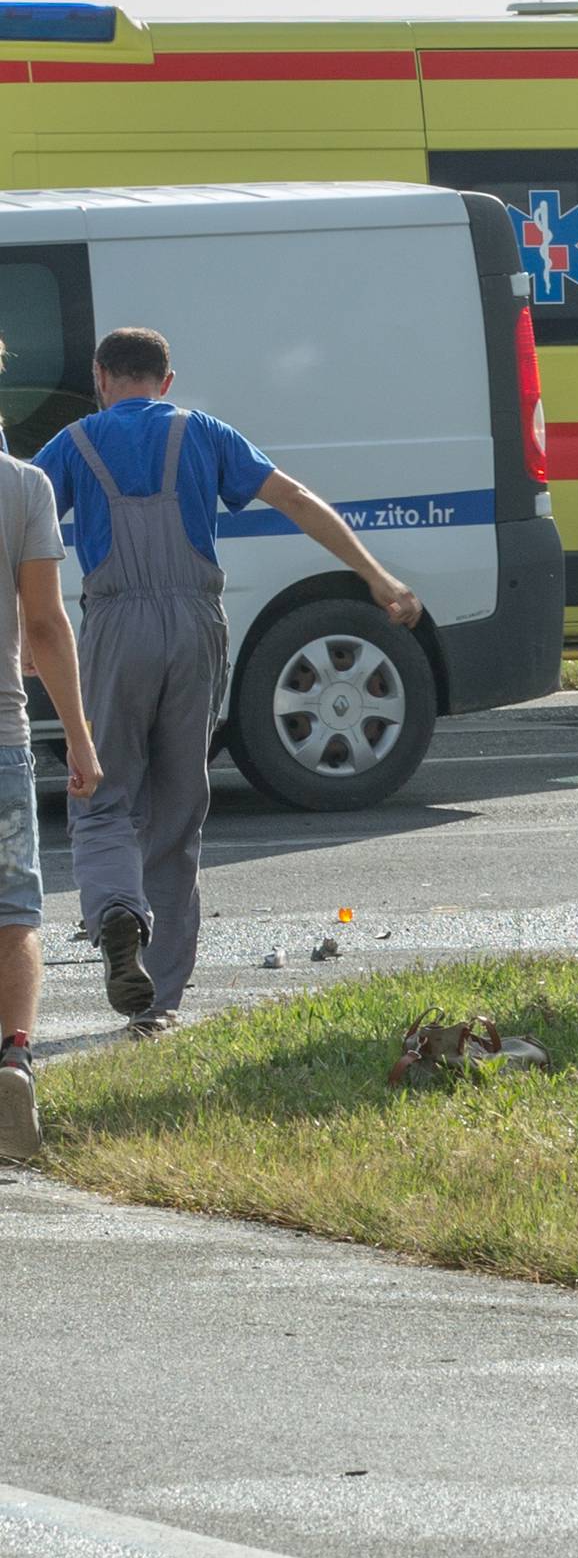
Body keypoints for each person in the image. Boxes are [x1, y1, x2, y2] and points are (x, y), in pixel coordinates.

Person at [34, 327, 422, 1032]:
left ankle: (118, 911)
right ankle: (159, 1006)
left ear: (100, 376)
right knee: (179, 807)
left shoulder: (73, 444)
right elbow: (297, 498)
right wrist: (378, 576)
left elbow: (17, 529)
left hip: (115, 625)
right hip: (195, 628)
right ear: (167, 381)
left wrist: (22, 632)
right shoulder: (204, 434)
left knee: (103, 791)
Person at [0, 337, 103, 1162]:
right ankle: (15, 1056)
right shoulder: (24, 485)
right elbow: (42, 625)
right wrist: (78, 735)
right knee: (12, 916)